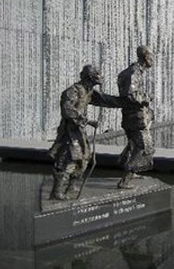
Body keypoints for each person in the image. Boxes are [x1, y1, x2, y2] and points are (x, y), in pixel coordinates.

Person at [48, 65, 123, 200]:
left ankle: (73, 186)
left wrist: (126, 102)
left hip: (79, 131)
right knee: (68, 159)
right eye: (94, 81)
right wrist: (87, 121)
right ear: (88, 78)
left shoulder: (89, 92)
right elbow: (67, 110)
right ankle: (57, 191)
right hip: (69, 132)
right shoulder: (73, 91)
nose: (95, 85)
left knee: (84, 158)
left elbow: (106, 100)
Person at [117, 46, 155, 189]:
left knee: (133, 144)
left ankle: (125, 163)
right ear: (145, 57)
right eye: (151, 56)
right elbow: (130, 95)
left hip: (133, 116)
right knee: (145, 147)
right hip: (135, 117)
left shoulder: (134, 71)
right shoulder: (134, 72)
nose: (153, 60)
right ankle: (125, 180)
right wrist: (147, 97)